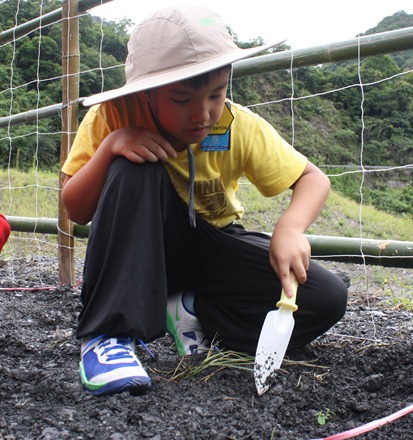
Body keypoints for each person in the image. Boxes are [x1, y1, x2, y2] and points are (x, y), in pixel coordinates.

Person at [60, 5, 347, 396]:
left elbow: (312, 178)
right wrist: (111, 147)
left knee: (324, 298)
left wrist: (291, 228)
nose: (203, 114)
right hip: (141, 250)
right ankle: (109, 336)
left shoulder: (237, 124)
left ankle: (193, 312)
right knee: (136, 166)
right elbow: (75, 209)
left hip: (215, 241)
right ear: (146, 93)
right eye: (181, 100)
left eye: (217, 94)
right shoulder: (113, 117)